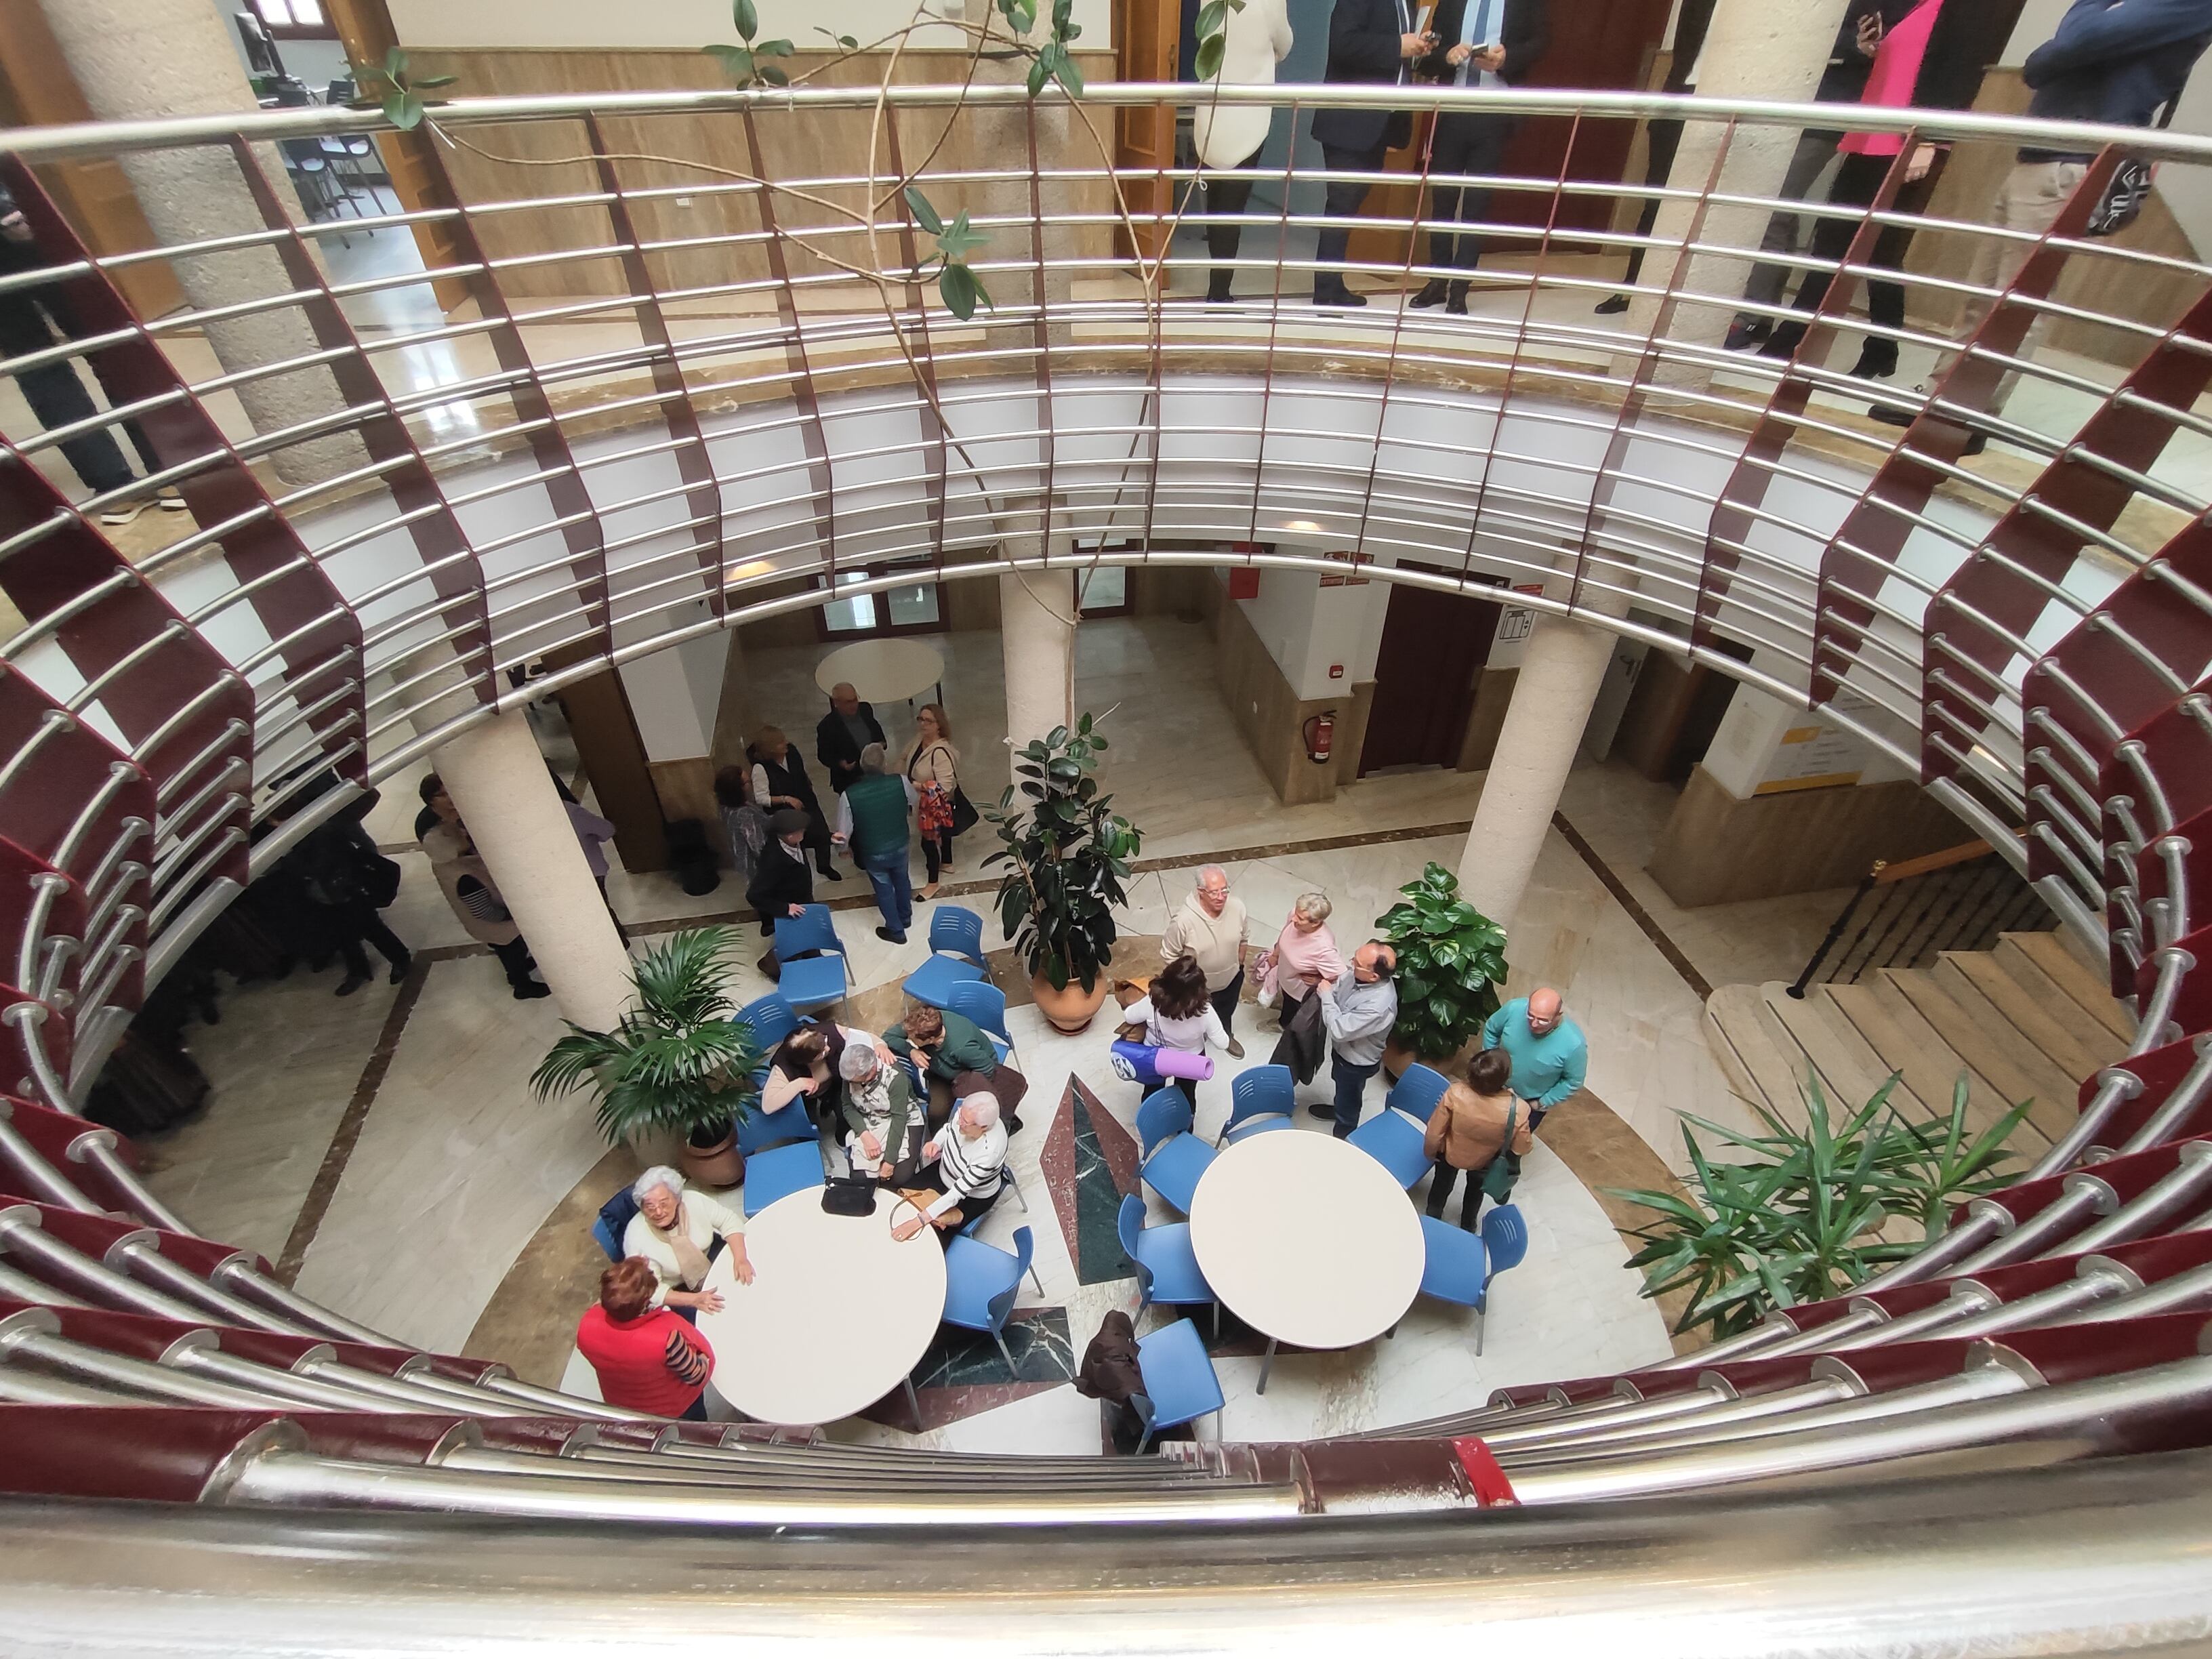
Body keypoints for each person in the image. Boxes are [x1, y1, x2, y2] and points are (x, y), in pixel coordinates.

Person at [1872, 0, 2212, 447]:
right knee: (1987, 294)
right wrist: (2062, 49)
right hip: (2042, 154)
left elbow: (2075, 42)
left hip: (2078, 161)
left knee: (2020, 298)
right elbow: (2041, 66)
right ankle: (1944, 399)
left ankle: (1971, 418)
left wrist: (2068, 40)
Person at [1755, 0, 2005, 381]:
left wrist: (1929, 141)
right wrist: (1868, 48)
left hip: (1909, 139)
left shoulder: (1965, 10)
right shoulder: (1905, 7)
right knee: (1841, 240)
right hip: (1871, 130)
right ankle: (1840, 343)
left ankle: (1843, 344)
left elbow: (1960, 74)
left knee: (1874, 249)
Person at [1720, 1, 1907, 349]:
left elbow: (1877, 42)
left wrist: (1852, 45)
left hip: (1829, 108)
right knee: (1780, 211)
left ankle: (1750, 314)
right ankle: (1762, 313)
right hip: (1788, 100)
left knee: (1774, 208)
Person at [0, 184, 186, 528]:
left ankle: (149, 474)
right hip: (18, 215)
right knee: (46, 361)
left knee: (96, 347)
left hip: (23, 213)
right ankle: (128, 482)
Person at [1408, 0, 1551, 315]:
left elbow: (1540, 42)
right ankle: (1437, 280)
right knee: (1442, 199)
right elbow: (1432, 50)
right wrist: (1447, 55)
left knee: (1477, 203)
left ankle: (1461, 288)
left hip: (1496, 111)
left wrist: (1505, 59)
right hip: (1453, 109)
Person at [1308, 0, 1433, 307]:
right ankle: (1326, 290)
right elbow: (1343, 43)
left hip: (1382, 121)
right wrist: (1397, 46)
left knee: (1349, 204)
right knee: (1341, 203)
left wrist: (1417, 49)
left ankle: (1331, 284)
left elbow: (1396, 51)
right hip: (1349, 119)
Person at [1191, 0, 1294, 304]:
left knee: (1216, 201)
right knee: (1233, 205)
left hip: (1212, 105)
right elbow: (1284, 42)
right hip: (1249, 111)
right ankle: (1220, 291)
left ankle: (1217, 286)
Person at [274, 787, 411, 996]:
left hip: (347, 892)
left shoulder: (322, 833)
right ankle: (358, 970)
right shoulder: (305, 836)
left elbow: (315, 867)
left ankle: (400, 959)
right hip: (327, 895)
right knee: (344, 935)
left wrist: (287, 857)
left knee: (372, 928)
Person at [419, 787, 548, 1000]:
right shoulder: (462, 875)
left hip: (497, 924)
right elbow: (484, 912)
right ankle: (521, 984)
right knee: (511, 949)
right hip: (498, 925)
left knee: (510, 949)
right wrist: (514, 915)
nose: (463, 833)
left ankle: (519, 968)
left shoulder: (454, 862)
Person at [574, 1256, 720, 1419]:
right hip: (674, 1409)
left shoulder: (586, 1326)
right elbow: (696, 1374)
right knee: (695, 1431)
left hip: (624, 1405)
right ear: (645, 1301)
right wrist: (704, 1358)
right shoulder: (665, 1340)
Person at [1422, 1046, 1534, 1230]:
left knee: (1441, 1185)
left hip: (1450, 1154)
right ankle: (1468, 1224)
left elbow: (1435, 1132)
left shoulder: (1455, 1093)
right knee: (1475, 1193)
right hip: (1485, 1161)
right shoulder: (1519, 1110)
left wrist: (1430, 1151)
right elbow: (1522, 1147)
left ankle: (1433, 1215)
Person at [623, 1166, 752, 1316]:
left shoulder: (693, 1200)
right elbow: (651, 1290)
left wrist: (740, 1258)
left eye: (664, 1204)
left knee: (747, 1288)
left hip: (710, 1255)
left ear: (677, 1198)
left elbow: (729, 1221)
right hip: (679, 1289)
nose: (658, 1212)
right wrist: (695, 1300)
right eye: (650, 1207)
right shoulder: (636, 1236)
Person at [884, 1002, 1029, 1131]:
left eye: (913, 1040)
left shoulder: (961, 1048)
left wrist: (965, 1088)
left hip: (968, 1073)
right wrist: (911, 1051)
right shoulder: (922, 1024)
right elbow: (889, 1037)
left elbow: (987, 1068)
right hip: (940, 1071)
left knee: (969, 1115)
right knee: (936, 1115)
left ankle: (1005, 1123)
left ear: (930, 1040)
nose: (909, 1039)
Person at [893, 1091, 1008, 1244]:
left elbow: (956, 1194)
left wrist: (919, 1221)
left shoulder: (989, 1153)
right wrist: (936, 1143)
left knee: (931, 1236)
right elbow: (948, 1129)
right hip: (943, 1171)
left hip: (971, 1196)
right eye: (960, 1114)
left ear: (983, 1127)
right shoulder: (965, 1114)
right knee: (900, 1200)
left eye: (965, 1122)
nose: (959, 1122)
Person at [1121, 953, 1231, 1111]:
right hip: (1190, 1060)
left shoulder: (1152, 1002)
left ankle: (1150, 1120)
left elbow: (1129, 1017)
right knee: (1186, 1095)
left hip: (1154, 1055)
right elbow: (1222, 1043)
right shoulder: (1205, 1011)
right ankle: (1184, 1128)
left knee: (1152, 1091)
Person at [1161, 865, 1249, 1059]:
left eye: (1224, 890)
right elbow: (1170, 955)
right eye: (1214, 892)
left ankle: (1226, 1035)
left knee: (1226, 1010)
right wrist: (1185, 984)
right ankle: (1194, 1044)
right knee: (1194, 1018)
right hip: (1197, 987)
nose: (1221, 896)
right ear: (1201, 892)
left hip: (1230, 978)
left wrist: (1239, 963)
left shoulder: (1238, 907)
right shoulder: (1183, 921)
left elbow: (1244, 938)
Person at [1315, 941, 1399, 1136]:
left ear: (1374, 976)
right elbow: (1339, 988)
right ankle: (1338, 1109)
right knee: (1341, 1086)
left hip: (1356, 1062)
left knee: (1350, 1097)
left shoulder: (1379, 1007)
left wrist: (1326, 997)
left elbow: (1338, 1029)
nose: (1351, 964)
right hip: (1343, 1051)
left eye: (1357, 963)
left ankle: (1343, 1131)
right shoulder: (1358, 975)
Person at [836, 742, 914, 944]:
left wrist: (843, 849)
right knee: (902, 879)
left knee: (884, 888)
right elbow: (915, 803)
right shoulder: (902, 782)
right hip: (901, 843)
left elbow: (844, 831)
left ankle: (896, 931)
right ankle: (905, 918)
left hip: (873, 850)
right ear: (884, 764)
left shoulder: (849, 795)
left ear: (862, 766)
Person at [762, 1021, 893, 1139]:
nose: (828, 1049)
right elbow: (768, 1106)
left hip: (835, 1082)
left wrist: (880, 1045)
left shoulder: (828, 1032)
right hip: (807, 1096)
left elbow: (863, 1036)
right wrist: (799, 1083)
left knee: (846, 1114)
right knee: (807, 1128)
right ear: (808, 1060)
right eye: (822, 1053)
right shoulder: (783, 1068)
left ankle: (842, 1137)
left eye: (825, 1042)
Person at [1481, 985, 1587, 1129]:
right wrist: (1490, 1061)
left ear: (1558, 1015)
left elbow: (1573, 1081)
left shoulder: (1574, 1044)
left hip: (1529, 1103)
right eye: (1530, 1016)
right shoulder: (1514, 1008)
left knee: (1513, 1147)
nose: (1534, 1024)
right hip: (1495, 1087)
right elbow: (1492, 1029)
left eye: (1543, 1020)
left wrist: (1541, 1103)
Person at [750, 726, 839, 880]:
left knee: (822, 833)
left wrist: (808, 783)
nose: (785, 743)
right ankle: (802, 873)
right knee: (797, 843)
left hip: (807, 801)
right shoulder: (761, 769)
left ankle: (824, 866)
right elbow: (761, 798)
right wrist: (786, 799)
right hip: (786, 812)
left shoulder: (792, 752)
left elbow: (800, 771)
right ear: (770, 749)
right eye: (779, 743)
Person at [1257, 892, 1345, 1029]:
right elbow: (1285, 933)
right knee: (1287, 1002)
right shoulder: (1295, 916)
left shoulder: (1324, 948)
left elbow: (1342, 976)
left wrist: (1319, 981)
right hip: (1286, 978)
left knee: (1294, 1013)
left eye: (1300, 918)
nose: (1294, 919)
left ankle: (1285, 1027)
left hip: (1298, 991)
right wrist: (1275, 954)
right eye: (1296, 914)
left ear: (1316, 923)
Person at [745, 808, 817, 979]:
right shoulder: (772, 860)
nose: (804, 833)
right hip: (789, 909)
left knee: (808, 938)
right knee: (791, 946)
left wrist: (830, 838)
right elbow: (754, 895)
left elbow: (813, 838)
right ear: (790, 835)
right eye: (801, 831)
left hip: (803, 901)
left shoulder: (794, 842)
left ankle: (813, 958)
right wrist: (785, 909)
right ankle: (771, 966)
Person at [902, 703, 962, 898]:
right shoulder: (919, 740)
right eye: (921, 719)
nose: (923, 724)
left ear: (939, 724)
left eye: (928, 721)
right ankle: (947, 862)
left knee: (928, 843)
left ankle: (933, 882)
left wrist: (916, 785)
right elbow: (905, 756)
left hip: (932, 807)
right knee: (943, 833)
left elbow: (944, 787)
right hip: (923, 804)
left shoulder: (940, 752)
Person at [840, 1042, 919, 1182]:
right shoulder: (851, 1074)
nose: (854, 1084)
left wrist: (890, 1161)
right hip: (869, 1116)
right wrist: (865, 1135)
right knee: (861, 1177)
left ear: (872, 1069)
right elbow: (847, 1106)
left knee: (900, 1177)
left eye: (860, 1081)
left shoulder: (896, 1077)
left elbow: (899, 1118)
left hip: (902, 1116)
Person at [565, 796, 628, 945]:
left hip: (558, 877)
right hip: (589, 871)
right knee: (601, 907)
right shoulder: (571, 811)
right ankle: (619, 942)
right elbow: (607, 830)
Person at [816, 681, 888, 797]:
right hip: (850, 781)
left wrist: (881, 743)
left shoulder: (865, 709)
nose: (854, 705)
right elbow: (824, 755)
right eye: (849, 702)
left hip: (874, 774)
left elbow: (876, 729)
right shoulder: (827, 726)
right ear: (836, 703)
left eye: (855, 699)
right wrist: (841, 764)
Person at [715, 763, 769, 888]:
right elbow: (758, 847)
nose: (751, 784)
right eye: (747, 782)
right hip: (758, 868)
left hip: (744, 861)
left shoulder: (726, 806)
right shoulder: (744, 815)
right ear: (739, 788)